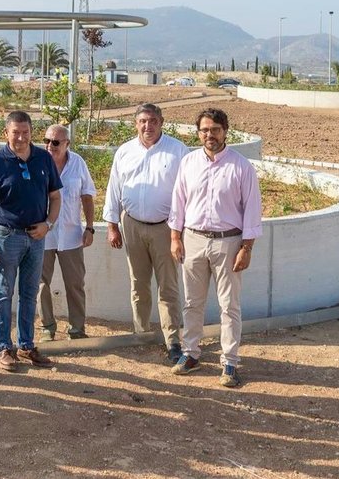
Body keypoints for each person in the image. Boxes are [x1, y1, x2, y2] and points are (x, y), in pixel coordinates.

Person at [169, 108, 262, 388]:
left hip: (228, 243)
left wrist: (246, 247)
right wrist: (175, 238)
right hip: (193, 240)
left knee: (228, 306)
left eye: (215, 129)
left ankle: (230, 362)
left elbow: (252, 211)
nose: (210, 135)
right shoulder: (188, 163)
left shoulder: (241, 167)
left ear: (225, 131)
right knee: (192, 303)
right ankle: (191, 354)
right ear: (198, 133)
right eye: (204, 130)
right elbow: (178, 203)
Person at [103, 103, 189, 363]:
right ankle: (141, 333)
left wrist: (179, 231)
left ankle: (173, 341)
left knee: (168, 286)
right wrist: (111, 226)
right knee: (139, 285)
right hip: (132, 226)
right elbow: (114, 188)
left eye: (152, 120)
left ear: (161, 121)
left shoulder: (178, 151)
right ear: (135, 123)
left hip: (166, 228)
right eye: (142, 121)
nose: (147, 126)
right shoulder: (125, 151)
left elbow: (187, 191)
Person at [0, 110, 62, 372]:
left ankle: (26, 345)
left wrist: (48, 225)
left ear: (31, 133)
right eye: (15, 132)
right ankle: (3, 347)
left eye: (25, 132)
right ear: (6, 133)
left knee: (30, 293)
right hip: (7, 237)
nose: (20, 137)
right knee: (4, 292)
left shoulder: (43, 158)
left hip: (37, 237)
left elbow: (56, 197)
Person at [37, 124, 96, 342]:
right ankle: (47, 327)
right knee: (40, 283)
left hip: (71, 235)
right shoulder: (37, 162)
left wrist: (89, 227)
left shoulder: (78, 163)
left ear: (67, 144)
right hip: (43, 235)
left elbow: (87, 196)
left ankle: (77, 329)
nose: (49, 145)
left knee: (75, 284)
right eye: (46, 140)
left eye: (55, 142)